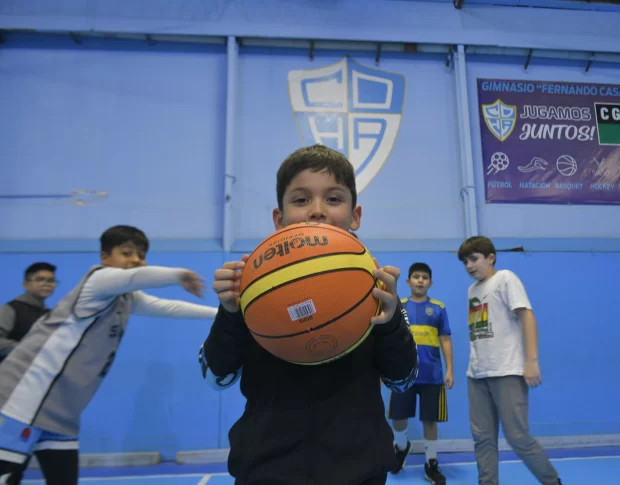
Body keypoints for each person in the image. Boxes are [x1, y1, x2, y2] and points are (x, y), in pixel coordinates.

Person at [199, 144, 419, 485]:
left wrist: (391, 324)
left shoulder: (376, 291)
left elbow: (403, 380)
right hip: (266, 471)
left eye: (333, 199)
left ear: (355, 214)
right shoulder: (253, 292)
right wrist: (230, 313)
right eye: (301, 200)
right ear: (279, 218)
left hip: (360, 472)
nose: (317, 210)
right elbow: (215, 378)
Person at [0, 225, 218, 485]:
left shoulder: (127, 298)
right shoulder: (97, 281)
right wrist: (178, 275)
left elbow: (169, 307)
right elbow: (133, 278)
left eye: (141, 255)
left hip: (62, 414)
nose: (135, 260)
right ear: (105, 257)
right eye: (126, 253)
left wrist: (222, 315)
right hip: (22, 400)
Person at [457, 236, 563, 485]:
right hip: (477, 375)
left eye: (474, 259)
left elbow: (527, 316)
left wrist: (531, 361)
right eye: (465, 262)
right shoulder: (472, 290)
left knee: (518, 437)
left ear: (490, 258)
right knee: (482, 437)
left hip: (507, 371)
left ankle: (552, 482)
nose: (469, 265)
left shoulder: (505, 278)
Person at [388, 262, 452, 484]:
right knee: (398, 417)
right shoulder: (399, 306)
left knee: (430, 420)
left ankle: (431, 463)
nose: (420, 280)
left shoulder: (439, 308)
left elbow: (445, 339)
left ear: (430, 283)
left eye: (425, 277)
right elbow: (390, 339)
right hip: (403, 375)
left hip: (432, 376)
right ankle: (401, 447)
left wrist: (450, 369)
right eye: (416, 276)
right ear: (408, 282)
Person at [0, 263, 58, 364]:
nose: (46, 284)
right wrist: (28, 350)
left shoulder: (50, 315)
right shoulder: (11, 309)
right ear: (25, 284)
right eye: (40, 279)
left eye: (51, 281)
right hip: (10, 374)